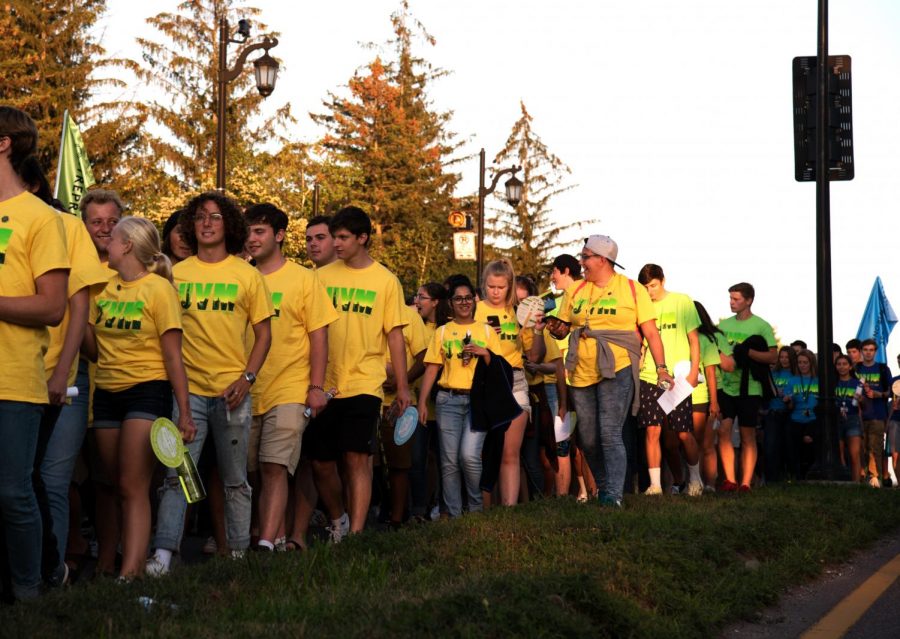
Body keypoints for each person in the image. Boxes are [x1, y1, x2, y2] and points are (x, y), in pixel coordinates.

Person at [148, 192, 273, 575]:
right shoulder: (175, 273)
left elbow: (264, 335)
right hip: (187, 393)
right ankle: (164, 554)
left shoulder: (247, 275)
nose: (206, 223)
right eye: (200, 217)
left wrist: (247, 378)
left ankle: (237, 554)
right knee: (177, 476)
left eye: (215, 217)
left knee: (236, 479)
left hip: (232, 393)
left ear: (229, 226)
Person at [84, 217, 195, 579]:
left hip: (147, 390)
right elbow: (92, 350)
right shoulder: (101, 287)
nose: (107, 243)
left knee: (134, 485)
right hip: (107, 392)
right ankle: (118, 560)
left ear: (127, 245)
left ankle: (129, 573)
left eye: (112, 238)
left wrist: (185, 413)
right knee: (115, 482)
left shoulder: (159, 290)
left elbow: (173, 356)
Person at [305, 206, 410, 536]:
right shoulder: (319, 277)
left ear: (363, 239)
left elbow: (395, 335)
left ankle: (356, 534)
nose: (335, 243)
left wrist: (404, 388)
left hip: (365, 381)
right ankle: (339, 518)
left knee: (356, 457)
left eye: (343, 237)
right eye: (334, 236)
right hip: (324, 383)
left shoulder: (385, 281)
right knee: (321, 462)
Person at [0, 106, 69, 600]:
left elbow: (52, 306)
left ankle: (30, 591)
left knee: (13, 492)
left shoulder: (41, 218)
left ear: (5, 144)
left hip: (14, 378)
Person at [547, 236, 672, 508]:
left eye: (586, 256)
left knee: (610, 432)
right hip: (581, 369)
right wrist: (553, 327)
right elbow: (563, 326)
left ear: (602, 259)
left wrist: (662, 369)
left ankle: (613, 496)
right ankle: (604, 487)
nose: (581, 262)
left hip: (618, 367)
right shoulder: (576, 290)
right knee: (588, 438)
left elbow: (650, 331)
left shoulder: (631, 289)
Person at [242, 204, 336, 551]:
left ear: (279, 235)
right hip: (247, 388)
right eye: (248, 231)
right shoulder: (242, 277)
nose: (251, 239)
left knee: (274, 465)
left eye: (259, 231)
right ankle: (270, 533)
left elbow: (319, 336)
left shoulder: (303, 279)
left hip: (290, 387)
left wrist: (315, 387)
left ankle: (266, 543)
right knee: (250, 471)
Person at [417, 279, 502, 516]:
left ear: (474, 301)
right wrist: (422, 402)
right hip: (448, 400)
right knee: (449, 461)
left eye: (468, 298)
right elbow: (432, 368)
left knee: (470, 456)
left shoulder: (486, 331)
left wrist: (484, 352)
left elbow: (500, 367)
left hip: (478, 402)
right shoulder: (442, 331)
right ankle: (454, 515)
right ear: (451, 303)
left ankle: (475, 510)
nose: (464, 302)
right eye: (458, 298)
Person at [475, 260, 545, 506]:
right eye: (491, 286)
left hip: (514, 380)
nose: (495, 291)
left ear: (510, 286)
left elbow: (534, 356)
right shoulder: (476, 310)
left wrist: (537, 330)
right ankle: (483, 509)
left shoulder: (518, 313)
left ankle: (509, 510)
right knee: (483, 452)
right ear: (484, 285)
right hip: (485, 381)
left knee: (509, 452)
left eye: (501, 287)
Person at [636, 264, 703, 497]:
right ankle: (655, 485)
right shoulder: (641, 305)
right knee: (652, 431)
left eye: (652, 285)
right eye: (645, 287)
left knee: (683, 432)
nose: (649, 291)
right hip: (649, 376)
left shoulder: (682, 301)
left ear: (662, 281)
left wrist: (694, 372)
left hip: (678, 377)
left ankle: (695, 479)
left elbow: (694, 339)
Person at [717, 282, 777, 492]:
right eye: (730, 299)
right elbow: (717, 352)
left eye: (736, 299)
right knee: (724, 430)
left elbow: (773, 356)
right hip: (726, 386)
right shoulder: (723, 326)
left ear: (749, 300)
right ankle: (730, 480)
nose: (731, 303)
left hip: (750, 387)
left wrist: (747, 352)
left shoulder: (761, 325)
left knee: (747, 434)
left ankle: (745, 482)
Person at [410, 283, 451, 520]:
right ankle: (418, 509)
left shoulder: (447, 328)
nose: (417, 301)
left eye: (422, 297)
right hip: (418, 405)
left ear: (435, 301)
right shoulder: (416, 325)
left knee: (442, 459)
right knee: (416, 459)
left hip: (443, 406)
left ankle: (441, 505)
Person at [692, 301, 731, 491]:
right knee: (691, 442)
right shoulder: (682, 338)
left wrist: (715, 353)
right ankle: (694, 482)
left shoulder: (713, 337)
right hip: (690, 393)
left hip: (715, 391)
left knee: (707, 443)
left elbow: (729, 365)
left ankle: (710, 484)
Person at [855, 339, 891, 488]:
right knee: (861, 447)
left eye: (871, 350)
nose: (868, 352)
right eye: (866, 349)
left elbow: (890, 392)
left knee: (875, 446)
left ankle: (875, 478)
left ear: (875, 352)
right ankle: (863, 477)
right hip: (859, 413)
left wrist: (878, 394)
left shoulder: (883, 369)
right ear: (862, 351)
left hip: (878, 414)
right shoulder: (856, 368)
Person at [783, 349, 819, 480]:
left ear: (811, 363)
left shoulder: (818, 380)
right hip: (795, 418)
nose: (802, 365)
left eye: (805, 362)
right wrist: (788, 401)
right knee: (793, 448)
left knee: (810, 447)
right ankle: (795, 476)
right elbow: (790, 406)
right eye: (800, 362)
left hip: (813, 419)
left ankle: (810, 475)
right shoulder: (792, 381)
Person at [764, 346, 797, 483]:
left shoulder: (796, 374)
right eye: (781, 357)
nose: (784, 360)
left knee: (788, 447)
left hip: (790, 413)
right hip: (773, 412)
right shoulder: (773, 373)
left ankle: (789, 476)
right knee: (771, 446)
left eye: (787, 357)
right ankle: (771, 479)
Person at [834, 354, 862, 483]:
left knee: (854, 455)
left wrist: (862, 400)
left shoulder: (857, 383)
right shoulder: (832, 382)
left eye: (845, 364)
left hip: (852, 419)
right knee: (839, 455)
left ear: (850, 366)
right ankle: (842, 481)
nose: (841, 367)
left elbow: (864, 405)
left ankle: (856, 485)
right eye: (839, 364)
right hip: (835, 420)